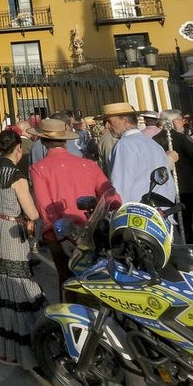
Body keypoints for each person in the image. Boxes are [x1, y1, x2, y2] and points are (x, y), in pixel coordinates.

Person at [30, 118, 119, 295]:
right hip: (89, 229)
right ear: (65, 140)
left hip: (58, 234)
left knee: (67, 280)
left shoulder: (39, 168)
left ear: (43, 141)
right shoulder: (87, 164)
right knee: (93, 280)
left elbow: (45, 205)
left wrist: (62, 238)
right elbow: (111, 195)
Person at [0, 129, 46, 369]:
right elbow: (32, 213)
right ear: (18, 149)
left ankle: (5, 348)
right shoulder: (16, 176)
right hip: (11, 231)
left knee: (2, 281)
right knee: (20, 282)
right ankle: (27, 348)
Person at [153, 110, 193, 252]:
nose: (183, 122)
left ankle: (190, 248)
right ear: (173, 121)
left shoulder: (155, 140)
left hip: (173, 189)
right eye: (180, 119)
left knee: (184, 223)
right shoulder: (180, 138)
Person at [101, 102, 176, 205]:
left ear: (126, 121)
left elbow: (120, 185)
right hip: (159, 210)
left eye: (109, 121)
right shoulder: (153, 144)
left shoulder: (124, 145)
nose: (106, 126)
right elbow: (167, 183)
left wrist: (115, 210)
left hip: (136, 213)